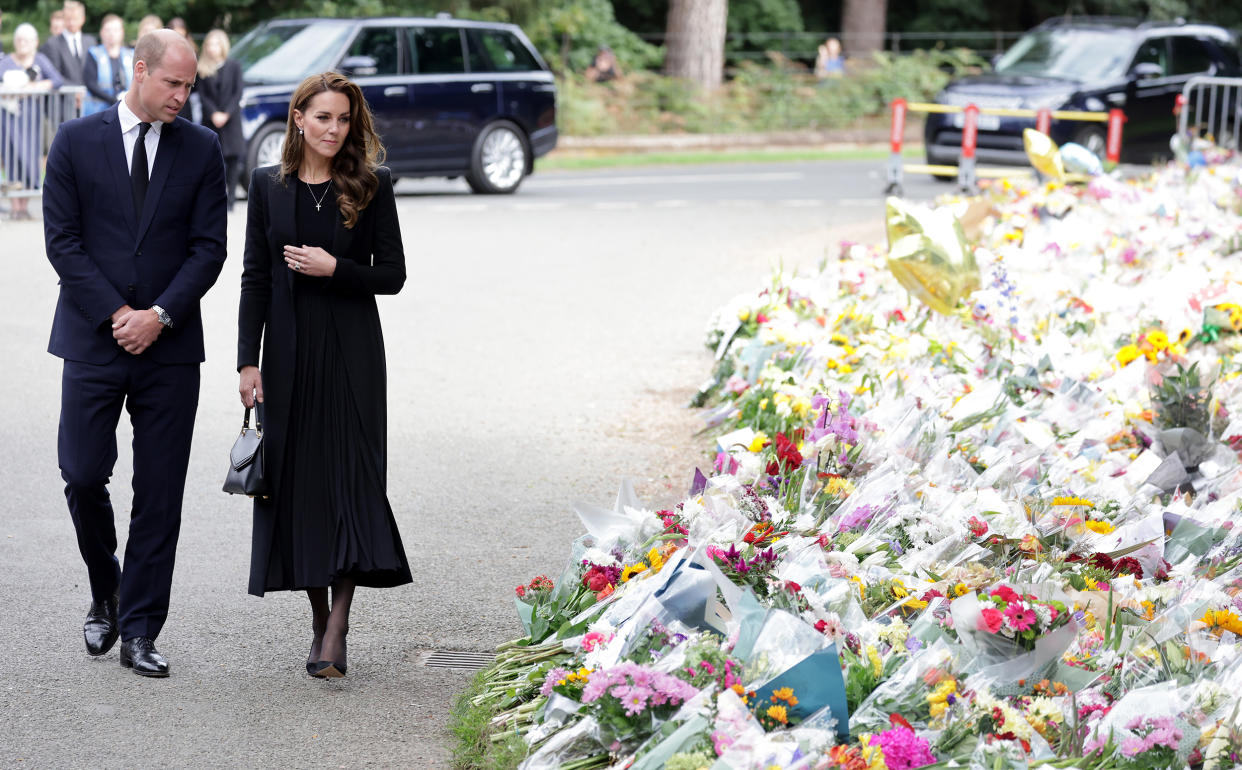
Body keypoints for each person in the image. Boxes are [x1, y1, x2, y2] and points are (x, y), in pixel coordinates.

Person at [42, 29, 228, 678]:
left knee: (159, 495)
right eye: (172, 84)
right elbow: (62, 243)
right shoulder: (74, 141)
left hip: (170, 351)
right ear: (140, 72)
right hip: (92, 340)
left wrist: (160, 315)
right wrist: (120, 315)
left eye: (189, 87)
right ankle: (107, 590)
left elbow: (210, 248)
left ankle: (141, 631)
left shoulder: (202, 149)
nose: (182, 96)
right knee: (83, 474)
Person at [237, 72, 412, 679]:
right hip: (287, 353)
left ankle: (337, 625)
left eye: (343, 119)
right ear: (298, 119)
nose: (334, 129)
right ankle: (319, 618)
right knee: (303, 485)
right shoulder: (267, 186)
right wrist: (247, 360)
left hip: (352, 352)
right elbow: (255, 276)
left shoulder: (371, 185)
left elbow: (391, 275)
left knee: (350, 479)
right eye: (323, 118)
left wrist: (336, 267)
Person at [1, 23, 64, 219]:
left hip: (32, 119)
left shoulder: (40, 60)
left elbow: (57, 80)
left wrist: (34, 86)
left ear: (35, 43)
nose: (23, 44)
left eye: (27, 40)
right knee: (12, 160)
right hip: (9, 119)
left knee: (29, 160)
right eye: (19, 40)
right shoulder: (6, 62)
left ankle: (24, 207)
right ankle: (15, 207)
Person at [197, 29, 244, 211]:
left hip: (231, 121)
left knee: (233, 161)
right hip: (211, 120)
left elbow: (237, 92)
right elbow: (203, 96)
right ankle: (215, 198)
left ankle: (230, 199)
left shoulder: (234, 66)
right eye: (209, 44)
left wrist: (226, 114)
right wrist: (214, 114)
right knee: (214, 161)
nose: (212, 48)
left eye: (215, 44)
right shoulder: (203, 69)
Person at [82, 15, 132, 115]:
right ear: (101, 32)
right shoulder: (94, 53)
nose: (111, 34)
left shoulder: (131, 54)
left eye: (115, 30)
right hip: (98, 112)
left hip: (126, 112)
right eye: (108, 30)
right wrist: (114, 100)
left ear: (122, 33)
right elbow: (90, 83)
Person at [43, 1, 96, 86]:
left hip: (91, 96)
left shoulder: (91, 41)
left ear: (83, 19)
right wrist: (76, 90)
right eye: (68, 19)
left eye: (75, 18)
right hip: (65, 96)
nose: (71, 23)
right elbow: (54, 74)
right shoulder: (52, 44)